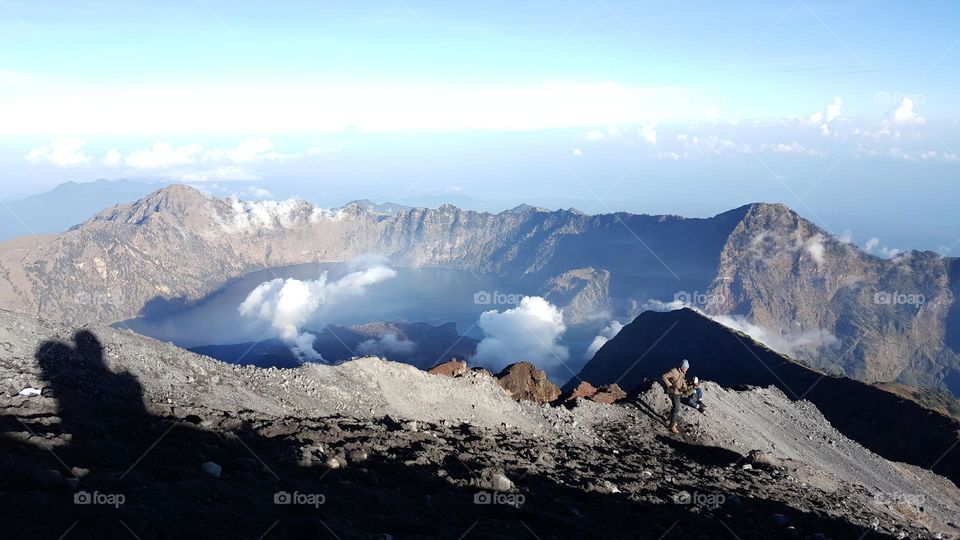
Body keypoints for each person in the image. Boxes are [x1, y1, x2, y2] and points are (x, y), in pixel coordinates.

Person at [660, 359, 689, 433]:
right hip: (673, 392)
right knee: (676, 408)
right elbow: (664, 376)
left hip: (678, 392)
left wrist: (684, 387)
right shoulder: (673, 371)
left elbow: (683, 381)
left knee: (675, 407)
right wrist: (670, 385)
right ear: (682, 367)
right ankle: (671, 426)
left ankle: (670, 419)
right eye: (686, 368)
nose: (687, 369)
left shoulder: (682, 372)